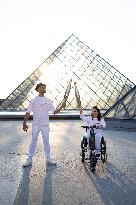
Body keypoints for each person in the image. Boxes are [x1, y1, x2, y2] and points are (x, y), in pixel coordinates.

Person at [23, 83, 66, 167]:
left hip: (45, 125)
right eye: (42, 87)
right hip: (36, 124)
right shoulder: (33, 100)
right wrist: (24, 123)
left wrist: (61, 107)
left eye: (44, 88)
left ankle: (48, 158)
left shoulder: (48, 100)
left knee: (46, 142)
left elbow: (54, 112)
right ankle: (29, 159)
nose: (44, 89)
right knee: (33, 142)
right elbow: (28, 112)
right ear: (38, 89)